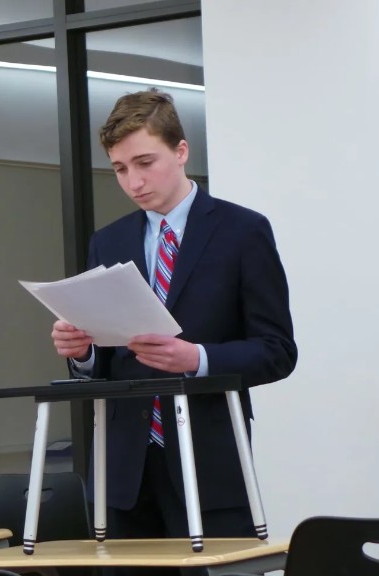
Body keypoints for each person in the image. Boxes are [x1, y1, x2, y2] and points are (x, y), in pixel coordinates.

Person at [51, 89, 297, 575]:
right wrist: (80, 352)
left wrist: (199, 359)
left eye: (146, 162)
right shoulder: (109, 240)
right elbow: (106, 357)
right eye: (120, 169)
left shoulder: (242, 231)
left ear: (181, 152)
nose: (134, 181)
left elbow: (277, 350)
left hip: (211, 462)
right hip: (125, 473)